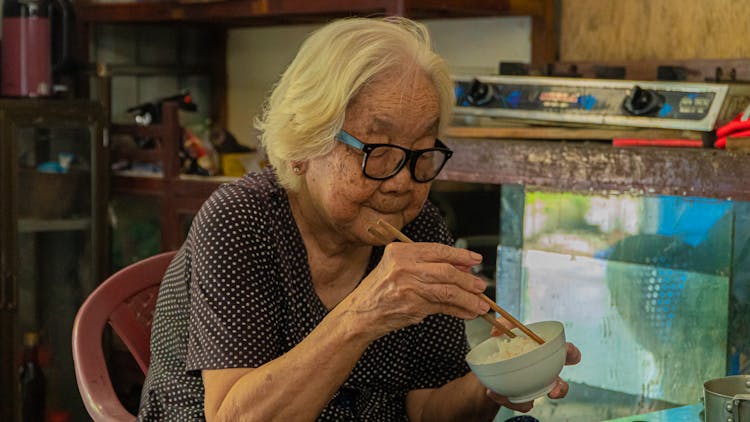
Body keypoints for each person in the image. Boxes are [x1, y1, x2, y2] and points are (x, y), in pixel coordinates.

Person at [137, 16, 581, 421]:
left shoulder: (417, 228)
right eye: (378, 151)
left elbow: (427, 409)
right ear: (303, 145)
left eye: (421, 154)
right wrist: (364, 314)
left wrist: (494, 383)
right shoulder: (243, 220)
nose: (402, 182)